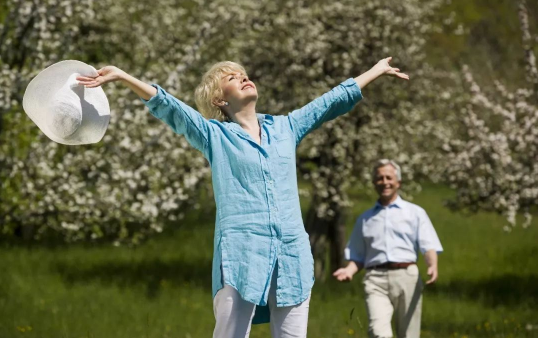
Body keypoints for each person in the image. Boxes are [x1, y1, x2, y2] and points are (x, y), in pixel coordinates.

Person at [77, 58, 409, 338]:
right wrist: (122, 76)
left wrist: (376, 70)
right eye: (233, 80)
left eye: (244, 75)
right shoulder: (215, 135)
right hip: (241, 255)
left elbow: (330, 101)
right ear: (221, 101)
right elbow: (170, 108)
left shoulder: (286, 128)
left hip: (292, 256)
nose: (244, 79)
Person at [333, 159, 443, 338]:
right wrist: (349, 271)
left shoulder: (415, 213)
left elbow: (428, 244)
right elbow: (358, 256)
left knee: (408, 334)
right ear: (374, 183)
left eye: (389, 178)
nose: (385, 182)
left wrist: (432, 265)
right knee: (378, 333)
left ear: (398, 182)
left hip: (407, 276)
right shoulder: (365, 219)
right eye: (380, 178)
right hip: (375, 279)